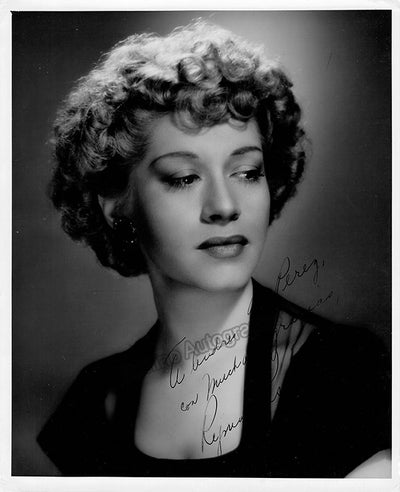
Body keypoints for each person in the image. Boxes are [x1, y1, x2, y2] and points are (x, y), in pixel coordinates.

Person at [37, 20, 391, 478]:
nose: (224, 207)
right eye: (184, 178)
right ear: (117, 205)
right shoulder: (95, 401)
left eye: (247, 172)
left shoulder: (342, 371)